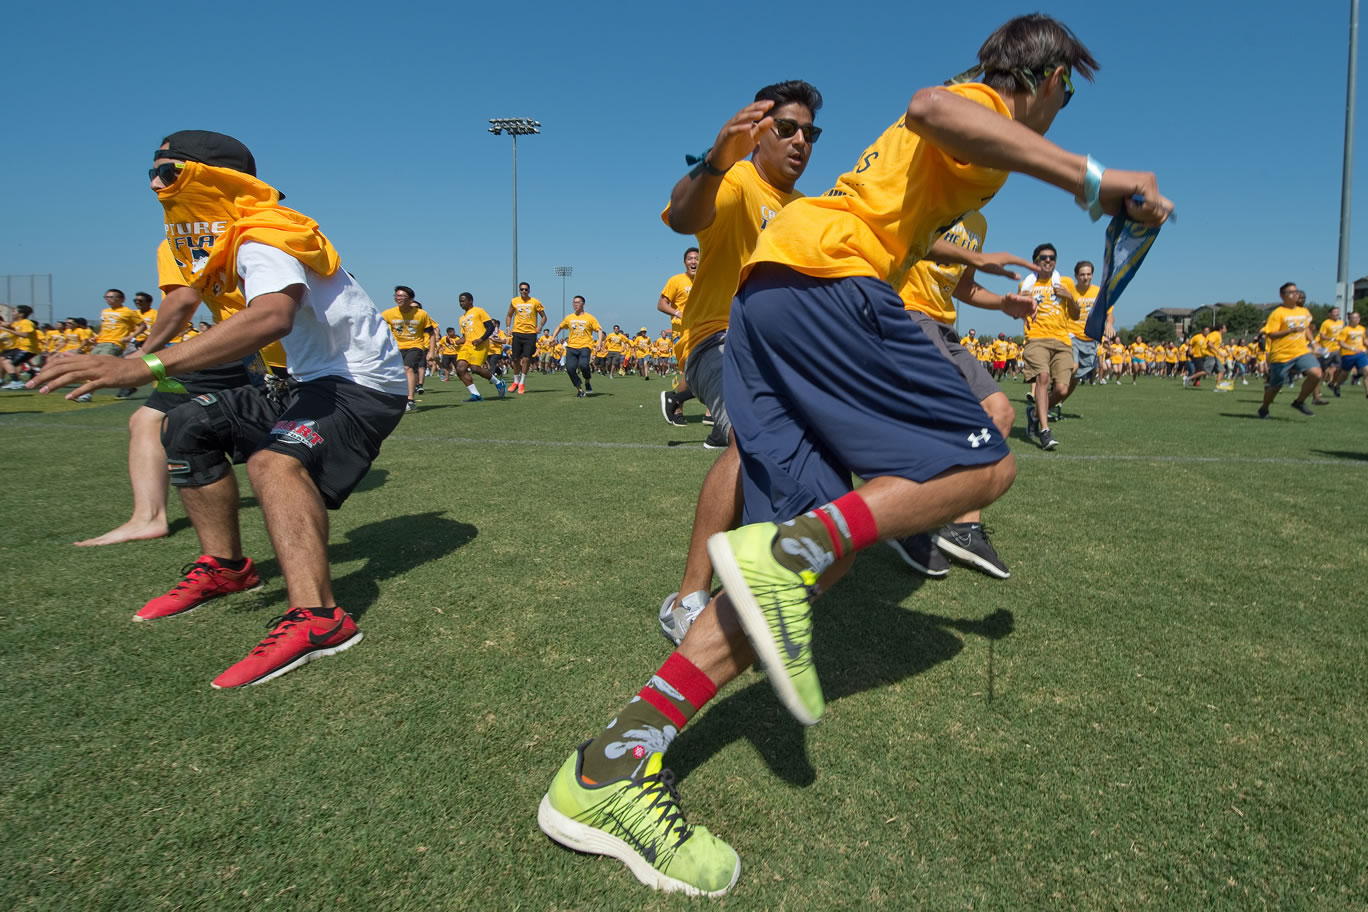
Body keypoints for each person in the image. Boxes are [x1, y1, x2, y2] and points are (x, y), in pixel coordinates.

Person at [539, 16, 1170, 897]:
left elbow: (923, 165)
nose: (1063, 108)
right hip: (830, 288)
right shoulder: (984, 106)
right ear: (1049, 73)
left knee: (805, 573)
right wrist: (1094, 179)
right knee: (983, 466)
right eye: (1067, 89)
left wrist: (983, 250)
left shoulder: (944, 150)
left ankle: (606, 770)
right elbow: (931, 105)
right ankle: (784, 551)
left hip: (768, 302)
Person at [36, 130, 409, 688]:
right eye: (151, 175)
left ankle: (320, 621)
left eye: (167, 174)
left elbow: (270, 318)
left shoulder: (265, 235)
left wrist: (144, 368)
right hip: (301, 379)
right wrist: (129, 355)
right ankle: (227, 569)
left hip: (360, 384)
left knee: (273, 464)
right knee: (187, 422)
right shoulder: (219, 243)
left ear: (208, 178)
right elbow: (183, 299)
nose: (155, 187)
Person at [656, 80, 822, 644]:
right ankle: (686, 600)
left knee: (808, 447)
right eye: (786, 127)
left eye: (810, 132)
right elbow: (683, 215)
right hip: (718, 338)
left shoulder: (808, 211)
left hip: (780, 355)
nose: (800, 140)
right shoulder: (736, 182)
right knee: (751, 435)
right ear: (757, 132)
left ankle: (768, 572)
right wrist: (713, 161)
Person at [888, 211, 1035, 579]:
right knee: (947, 415)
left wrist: (1003, 303)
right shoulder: (933, 193)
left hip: (944, 325)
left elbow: (963, 286)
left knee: (1001, 413)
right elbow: (906, 238)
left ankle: (963, 527)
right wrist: (976, 257)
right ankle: (906, 518)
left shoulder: (979, 223)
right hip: (906, 313)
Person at [1019, 244, 1077, 448]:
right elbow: (1020, 313)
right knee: (1043, 378)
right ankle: (1044, 431)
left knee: (1061, 390)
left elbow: (1076, 315)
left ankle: (1034, 413)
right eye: (1043, 257)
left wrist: (1070, 297)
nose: (1048, 260)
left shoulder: (1066, 283)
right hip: (1036, 338)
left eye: (1052, 257)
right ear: (1035, 261)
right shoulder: (1027, 285)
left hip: (1062, 340)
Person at [1257, 282, 1321, 417]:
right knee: (1276, 386)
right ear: (1282, 295)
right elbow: (1270, 333)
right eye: (1292, 292)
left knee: (1316, 374)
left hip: (1301, 351)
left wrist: (1313, 342)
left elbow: (1307, 328)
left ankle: (1299, 401)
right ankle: (1264, 408)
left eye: (1297, 291)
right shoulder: (1277, 313)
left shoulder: (1304, 312)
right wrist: (1290, 331)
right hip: (1282, 355)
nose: (1296, 294)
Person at [1056, 259, 1106, 416]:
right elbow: (1053, 279)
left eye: (1089, 274)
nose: (1085, 277)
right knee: (1074, 366)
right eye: (1082, 274)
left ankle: (1056, 403)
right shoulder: (1069, 288)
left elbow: (1109, 313)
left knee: (1076, 379)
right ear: (1076, 276)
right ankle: (1053, 384)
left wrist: (1110, 325)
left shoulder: (1099, 292)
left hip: (1090, 338)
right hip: (1070, 334)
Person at [658, 248, 699, 424]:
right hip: (682, 334)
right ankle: (677, 409)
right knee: (691, 373)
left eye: (697, 259)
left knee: (708, 371)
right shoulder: (676, 280)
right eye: (690, 259)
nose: (693, 262)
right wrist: (677, 313)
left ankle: (710, 414)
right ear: (684, 262)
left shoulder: (706, 280)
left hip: (702, 332)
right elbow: (661, 304)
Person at [381, 286, 436, 412]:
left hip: (415, 346)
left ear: (411, 299)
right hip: (396, 348)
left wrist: (432, 351)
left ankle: (410, 399)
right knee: (395, 372)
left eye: (401, 296)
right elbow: (377, 327)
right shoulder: (388, 313)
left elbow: (431, 334)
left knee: (408, 368)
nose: (398, 298)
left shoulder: (421, 314)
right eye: (396, 295)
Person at [454, 292, 507, 401]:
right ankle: (475, 395)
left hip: (481, 344)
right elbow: (465, 336)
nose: (461, 303)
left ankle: (498, 383)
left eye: (463, 301)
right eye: (460, 301)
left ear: (470, 301)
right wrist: (455, 342)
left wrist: (481, 339)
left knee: (475, 369)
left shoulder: (479, 311)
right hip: (467, 346)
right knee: (460, 369)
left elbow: (490, 327)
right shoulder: (461, 319)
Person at [553, 296, 602, 397]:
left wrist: (599, 342)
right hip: (571, 347)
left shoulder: (590, 318)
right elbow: (560, 326)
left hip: (585, 346)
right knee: (570, 368)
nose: (575, 304)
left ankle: (587, 382)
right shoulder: (569, 318)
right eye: (574, 302)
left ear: (583, 304)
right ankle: (579, 389)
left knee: (584, 365)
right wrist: (553, 337)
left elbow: (599, 330)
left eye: (578, 302)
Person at [506, 282, 547, 394]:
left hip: (530, 334)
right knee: (515, 359)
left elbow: (544, 316)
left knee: (526, 359)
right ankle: (515, 381)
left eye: (526, 289)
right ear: (519, 290)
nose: (524, 291)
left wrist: (540, 327)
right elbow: (509, 315)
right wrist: (508, 327)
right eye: (522, 289)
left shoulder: (535, 302)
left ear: (529, 291)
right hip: (517, 333)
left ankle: (522, 382)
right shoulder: (514, 301)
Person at [0, 306, 41, 389]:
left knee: (7, 362)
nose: (12, 313)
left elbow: (25, 335)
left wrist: (7, 329)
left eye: (14, 311)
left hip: (28, 348)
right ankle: (3, 380)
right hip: (21, 348)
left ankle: (16, 381)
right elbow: (7, 324)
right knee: (2, 359)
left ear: (21, 314)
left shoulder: (26, 322)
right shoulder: (17, 322)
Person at [1315, 306, 1344, 398]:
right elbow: (1322, 335)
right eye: (1335, 312)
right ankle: (1317, 391)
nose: (1337, 314)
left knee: (1341, 368)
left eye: (1338, 312)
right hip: (1327, 350)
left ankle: (1332, 384)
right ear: (1330, 314)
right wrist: (1332, 338)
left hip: (1338, 349)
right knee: (1321, 372)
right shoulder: (1326, 323)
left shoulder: (1341, 323)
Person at [1335, 311, 1366, 395]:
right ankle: (1337, 385)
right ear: (1350, 319)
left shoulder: (1362, 329)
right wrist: (1352, 348)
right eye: (1354, 318)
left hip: (1360, 353)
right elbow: (1340, 342)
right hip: (1348, 355)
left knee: (1366, 371)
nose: (1356, 320)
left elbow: (1364, 340)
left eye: (1358, 318)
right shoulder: (1345, 330)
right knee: (1345, 374)